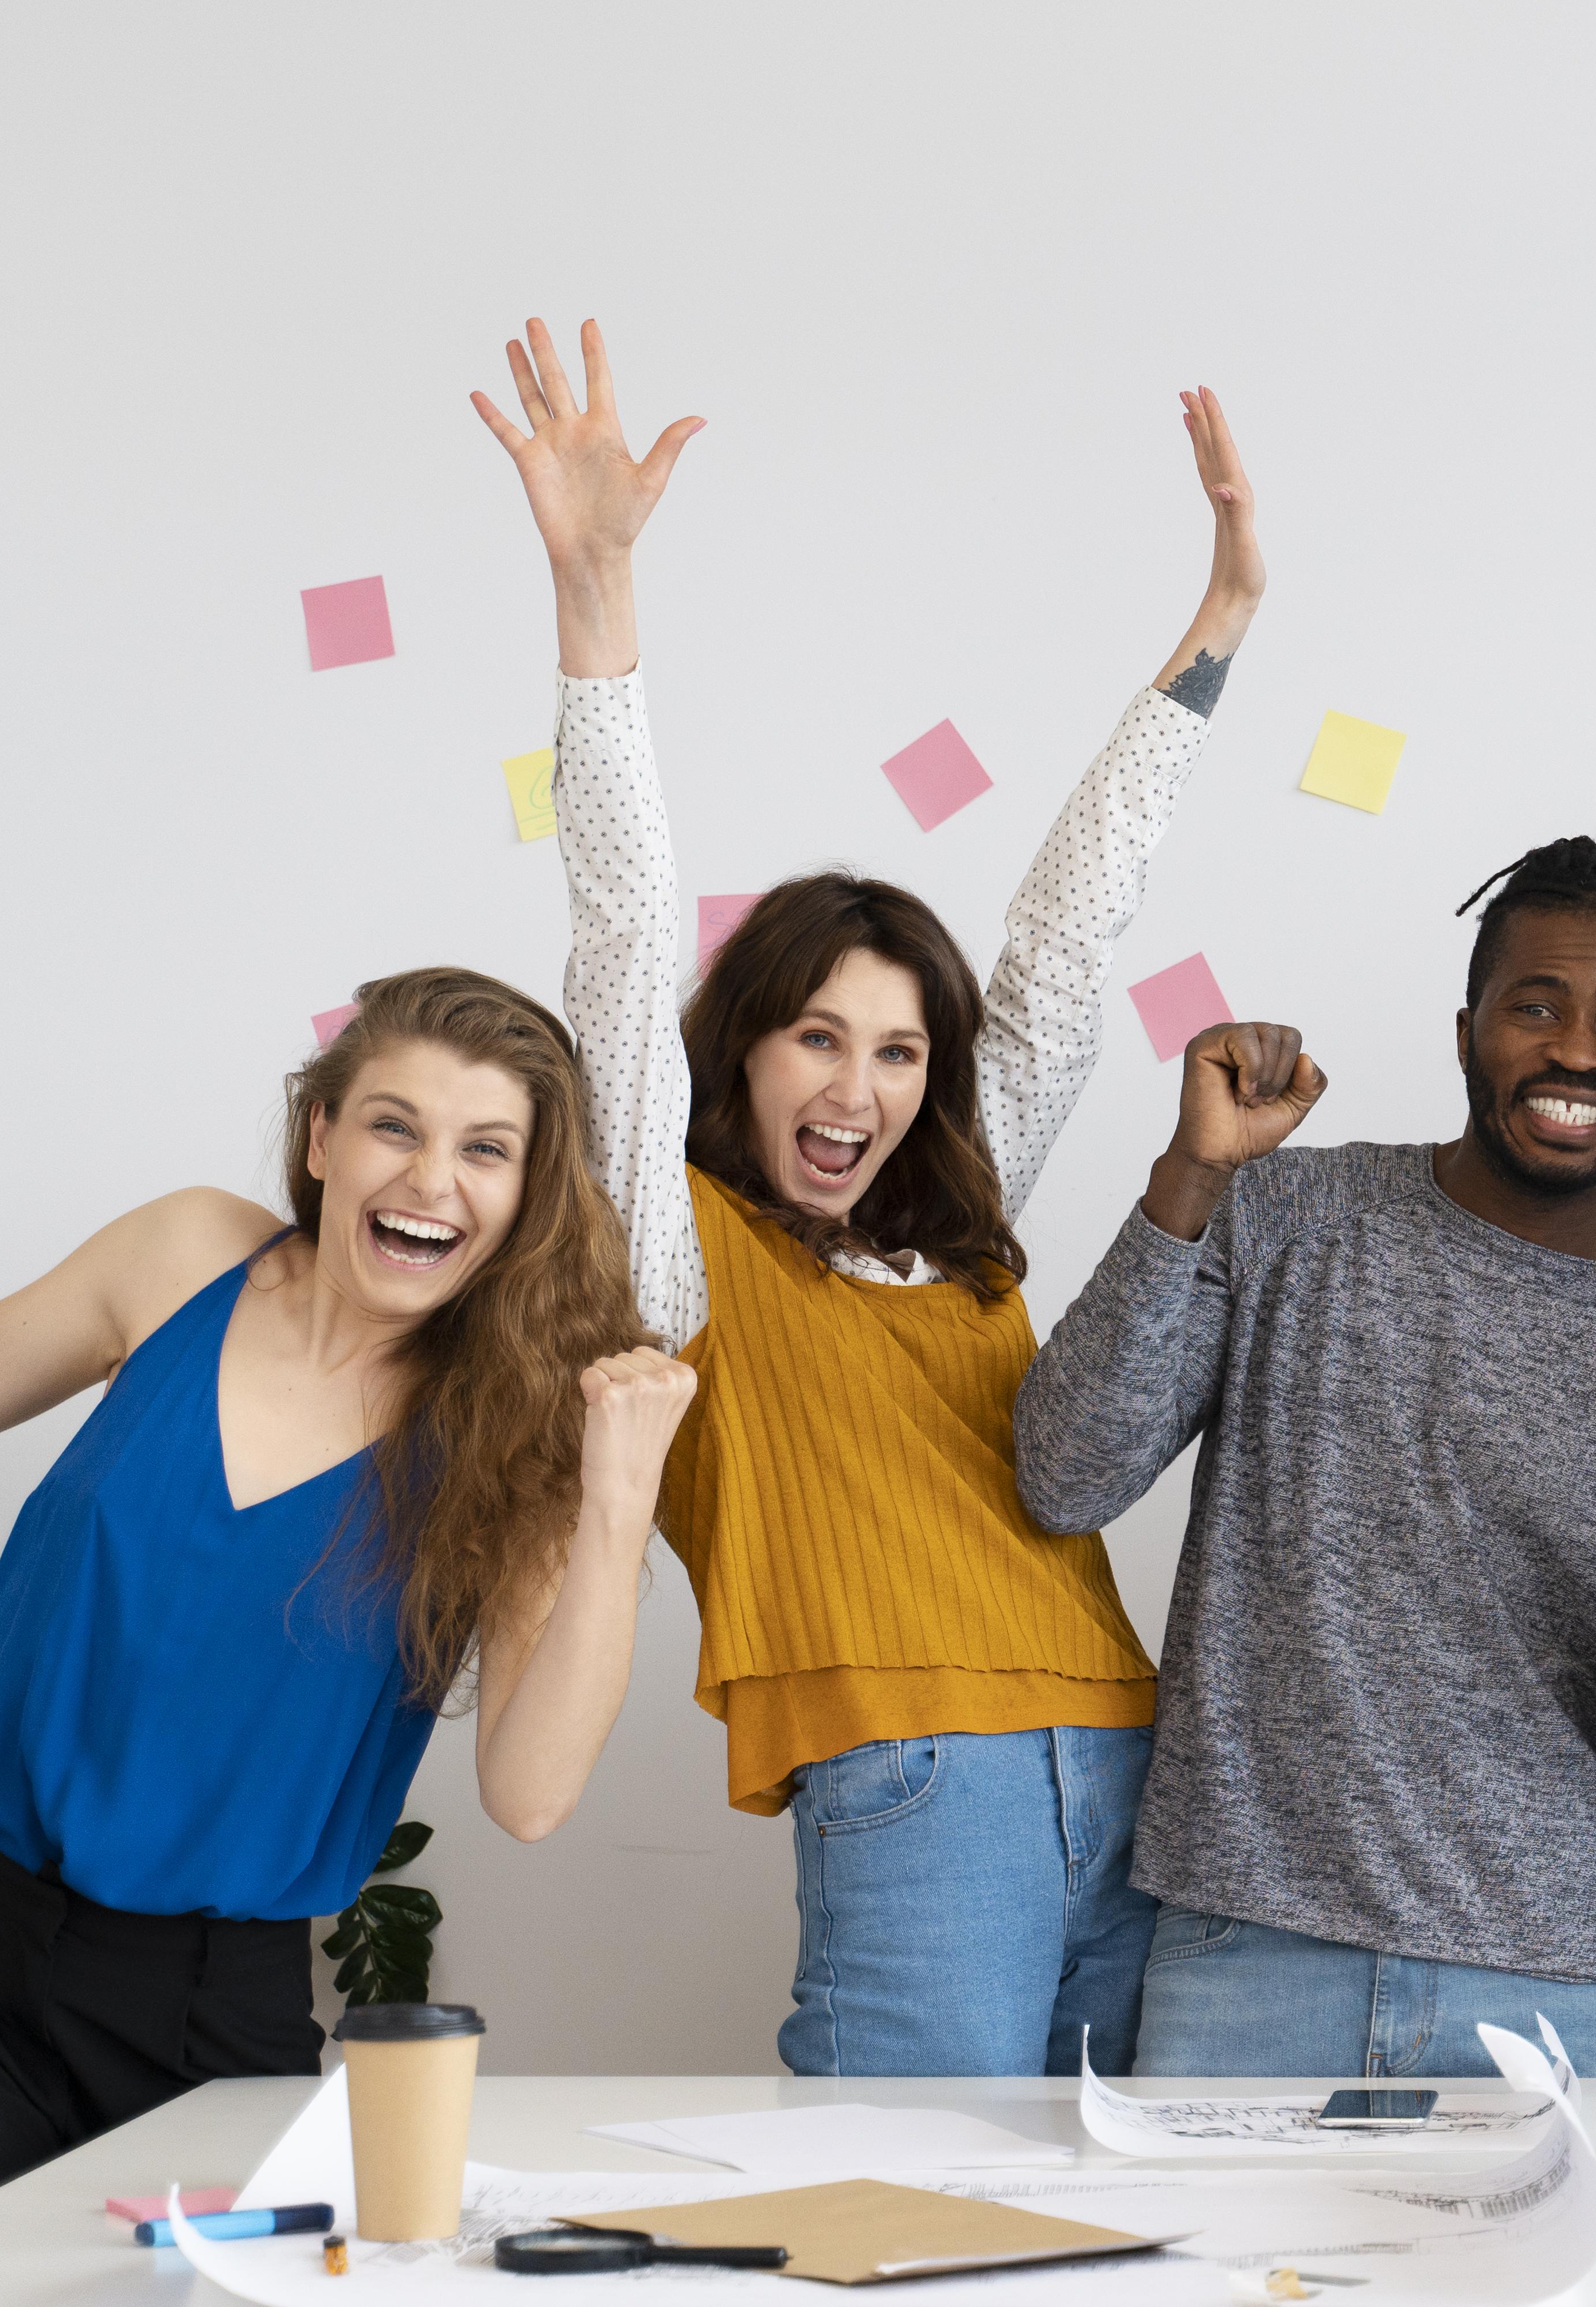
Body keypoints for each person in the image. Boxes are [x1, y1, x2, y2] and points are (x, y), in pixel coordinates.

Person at [475, 316, 1256, 2076]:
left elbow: (1060, 953)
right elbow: (617, 945)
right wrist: (594, 595)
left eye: (900, 1051)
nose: (861, 1086)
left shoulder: (960, 1235)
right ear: (739, 1053)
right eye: (816, 1039)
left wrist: (1215, 632)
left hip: (1135, 1765)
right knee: (912, 2227)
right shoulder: (673, 1256)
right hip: (917, 1776)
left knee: (1136, 2247)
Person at [0, 973, 690, 2246]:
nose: (432, 1176)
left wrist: (615, 1497)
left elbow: (531, 1793)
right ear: (322, 1139)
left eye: (486, 1148)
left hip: (203, 2015)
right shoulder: (185, 1257)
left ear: (525, 1198)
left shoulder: (521, 1438)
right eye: (396, 1124)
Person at [1014, 839, 1596, 2080]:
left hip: (1536, 1986)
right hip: (1246, 1949)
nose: (1579, 1050)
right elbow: (1065, 1470)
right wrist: (1192, 1175)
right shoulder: (1284, 1214)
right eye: (1535, 1004)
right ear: (1465, 1030)